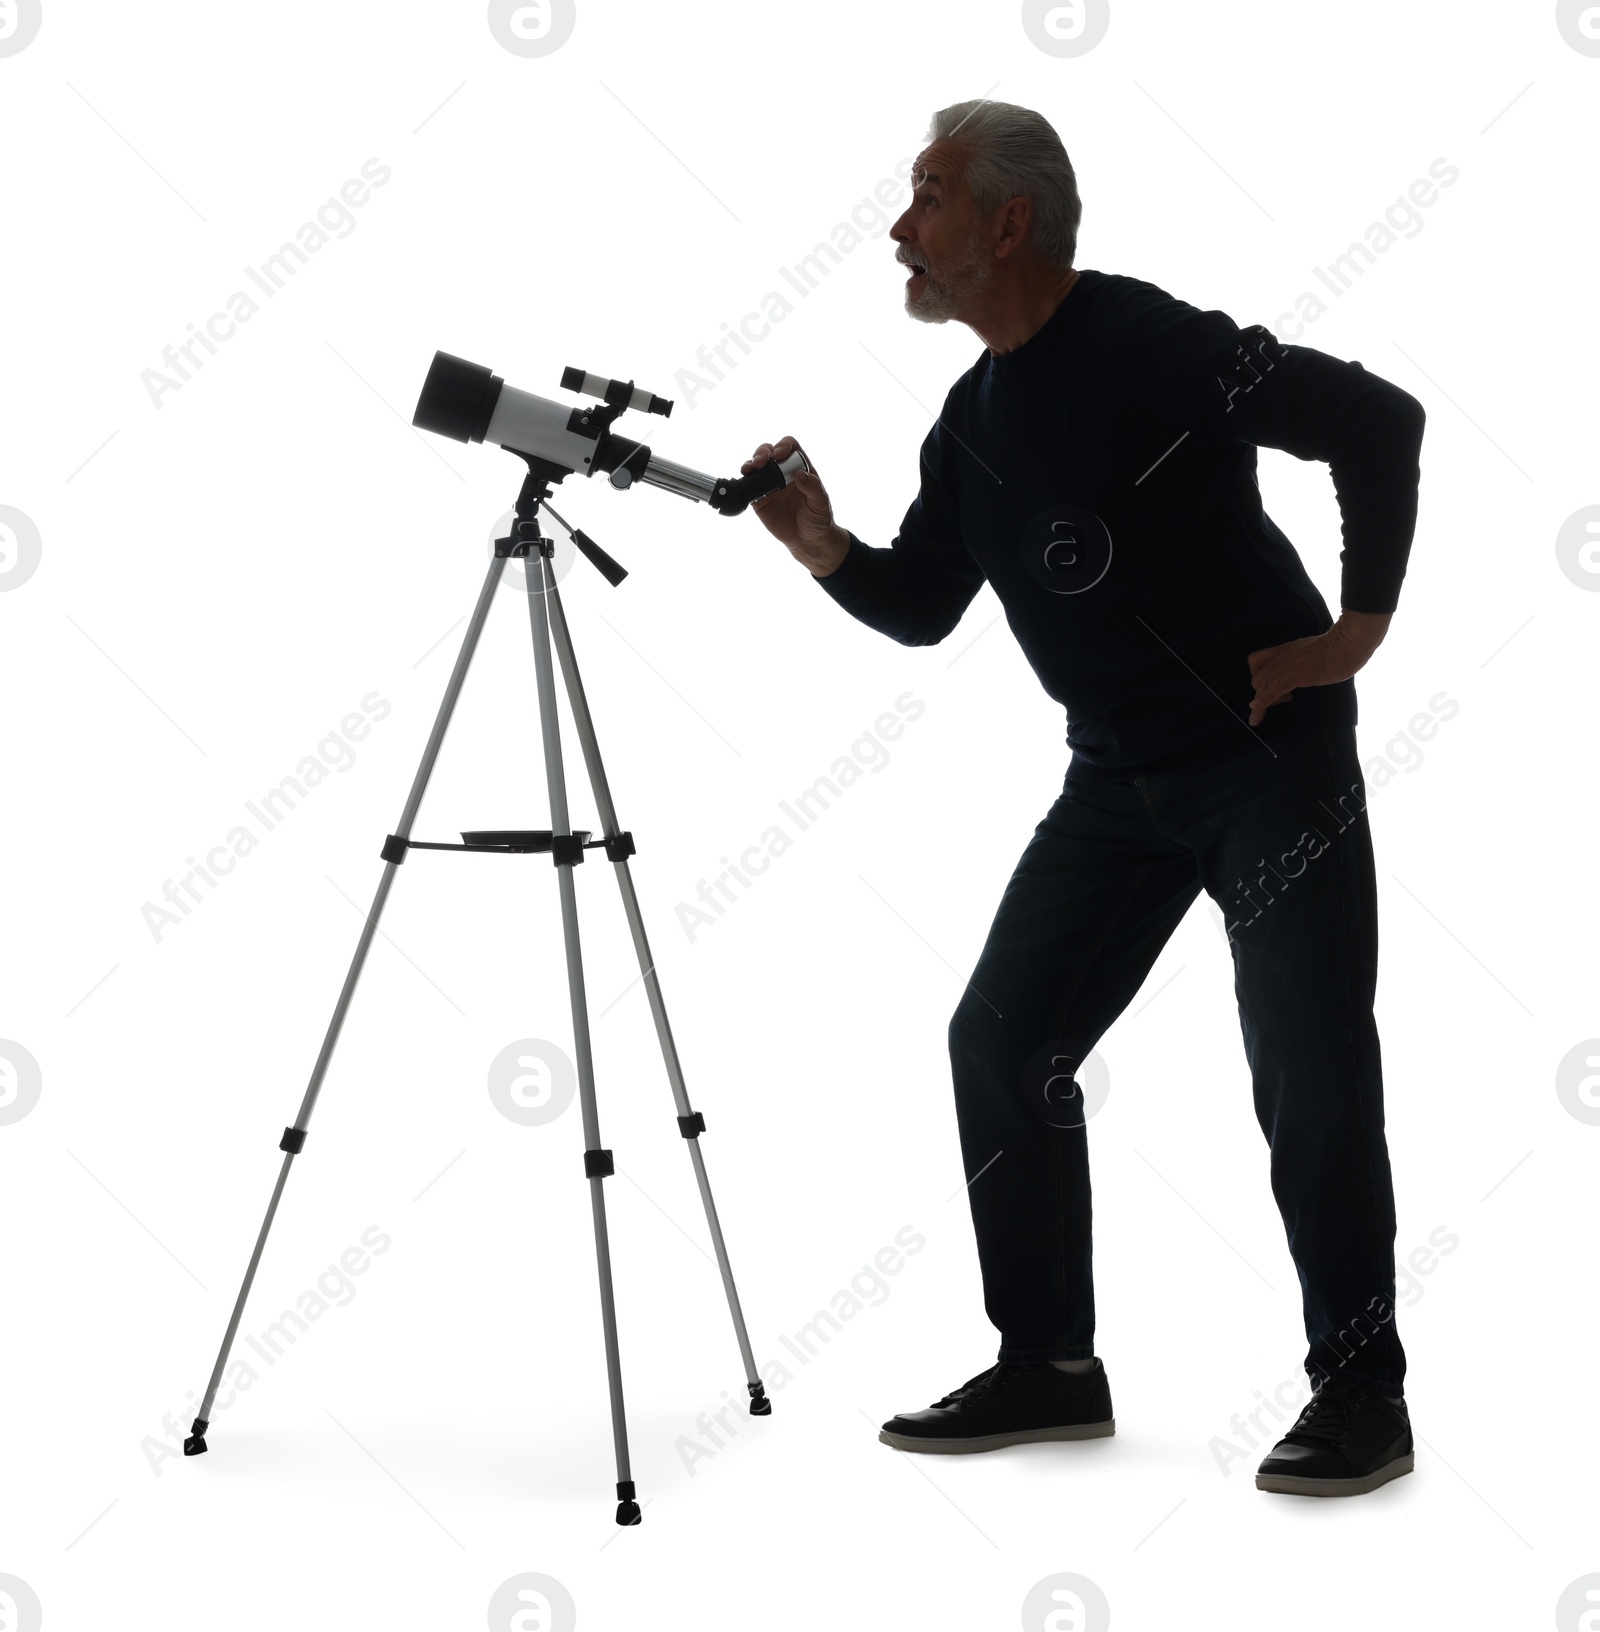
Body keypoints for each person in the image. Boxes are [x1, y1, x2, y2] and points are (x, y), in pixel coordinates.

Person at [742, 99, 1424, 1498]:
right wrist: (823, 550)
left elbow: (1374, 417)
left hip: (1265, 752)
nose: (898, 226)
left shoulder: (1148, 344)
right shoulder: (973, 419)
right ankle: (1050, 1364)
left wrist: (1353, 630)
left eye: (926, 197)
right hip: (1117, 778)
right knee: (1001, 1042)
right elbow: (925, 604)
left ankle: (1362, 1393)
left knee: (1305, 1061)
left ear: (1006, 221)